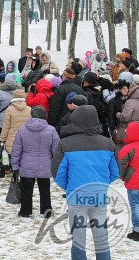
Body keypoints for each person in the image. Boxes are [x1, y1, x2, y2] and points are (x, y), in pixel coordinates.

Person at [51, 105, 118, 259]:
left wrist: (69, 187)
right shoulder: (107, 143)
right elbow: (115, 172)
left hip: (77, 196)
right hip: (98, 196)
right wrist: (102, 185)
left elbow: (57, 173)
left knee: (78, 238)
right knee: (101, 236)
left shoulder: (66, 144)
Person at [10, 106, 59, 218]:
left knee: (26, 190)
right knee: (45, 190)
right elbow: (56, 150)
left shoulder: (22, 130)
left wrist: (15, 165)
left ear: (31, 115)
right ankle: (47, 211)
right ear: (45, 116)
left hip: (26, 163)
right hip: (45, 164)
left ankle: (25, 211)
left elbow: (16, 149)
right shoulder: (51, 130)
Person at [118, 122, 139, 241]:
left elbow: (122, 167)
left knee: (136, 206)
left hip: (134, 184)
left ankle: (137, 230)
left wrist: (124, 178)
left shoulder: (127, 149)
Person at [0, 90, 31, 156]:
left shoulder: (10, 109)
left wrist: (2, 139)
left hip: (12, 140)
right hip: (25, 140)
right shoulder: (29, 109)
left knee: (13, 159)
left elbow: (6, 126)